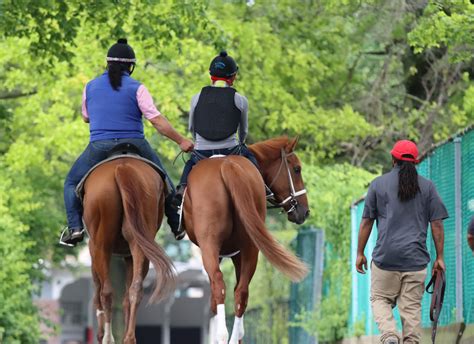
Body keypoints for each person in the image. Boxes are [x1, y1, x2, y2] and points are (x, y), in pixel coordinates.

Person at [61, 38, 193, 246]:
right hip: (135, 143)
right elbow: (156, 121)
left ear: (108, 63)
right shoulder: (138, 88)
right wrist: (181, 140)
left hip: (100, 146)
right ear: (130, 66)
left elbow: (86, 117)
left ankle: (75, 228)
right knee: (165, 181)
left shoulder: (90, 87)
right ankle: (176, 224)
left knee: (70, 183)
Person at [356, 140, 448, 344]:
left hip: (385, 259)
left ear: (393, 159)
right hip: (415, 261)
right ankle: (411, 341)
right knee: (411, 309)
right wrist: (440, 257)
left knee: (379, 298)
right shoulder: (428, 187)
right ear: (416, 162)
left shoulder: (378, 185)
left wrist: (360, 253)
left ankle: (389, 335)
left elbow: (366, 222)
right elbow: (437, 224)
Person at [172, 51, 268, 205]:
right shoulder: (240, 99)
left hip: (202, 152)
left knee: (190, 163)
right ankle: (262, 187)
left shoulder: (196, 98)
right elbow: (243, 131)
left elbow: (192, 128)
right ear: (233, 77)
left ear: (211, 76)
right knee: (250, 157)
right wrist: (242, 143)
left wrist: (198, 143)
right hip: (230, 150)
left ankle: (181, 189)